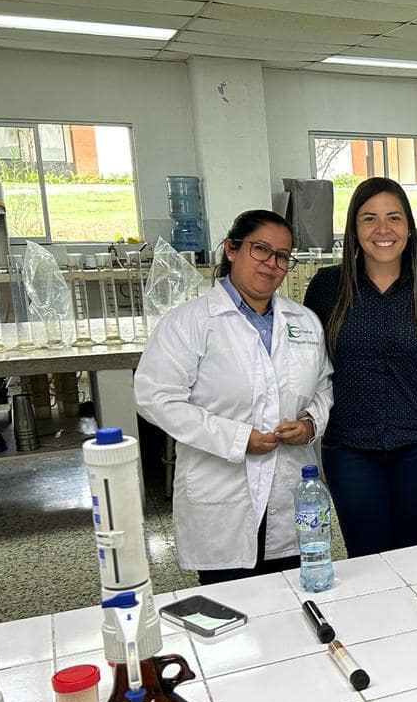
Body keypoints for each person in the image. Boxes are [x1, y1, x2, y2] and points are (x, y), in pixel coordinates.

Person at [135, 210, 332, 584]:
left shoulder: (304, 322)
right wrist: (237, 438)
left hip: (290, 490)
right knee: (230, 608)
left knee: (293, 601)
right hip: (220, 491)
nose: (271, 264)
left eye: (282, 256)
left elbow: (324, 386)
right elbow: (154, 396)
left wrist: (310, 425)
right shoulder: (189, 322)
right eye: (260, 249)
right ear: (231, 249)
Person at [303, 177, 417, 557]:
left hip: (416, 445)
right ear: (354, 229)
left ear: (409, 227)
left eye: (394, 218)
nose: (383, 230)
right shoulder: (327, 287)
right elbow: (309, 360)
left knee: (408, 555)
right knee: (366, 558)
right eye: (369, 218)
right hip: (349, 445)